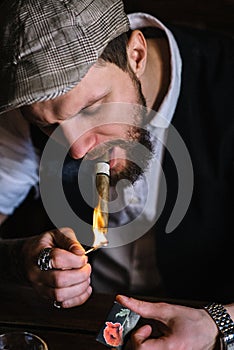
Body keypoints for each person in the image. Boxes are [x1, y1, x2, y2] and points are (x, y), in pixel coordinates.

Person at [0, 0, 233, 349]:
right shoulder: (28, 107)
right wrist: (20, 260)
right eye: (48, 127)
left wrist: (220, 323)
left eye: (92, 107)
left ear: (136, 54)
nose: (77, 150)